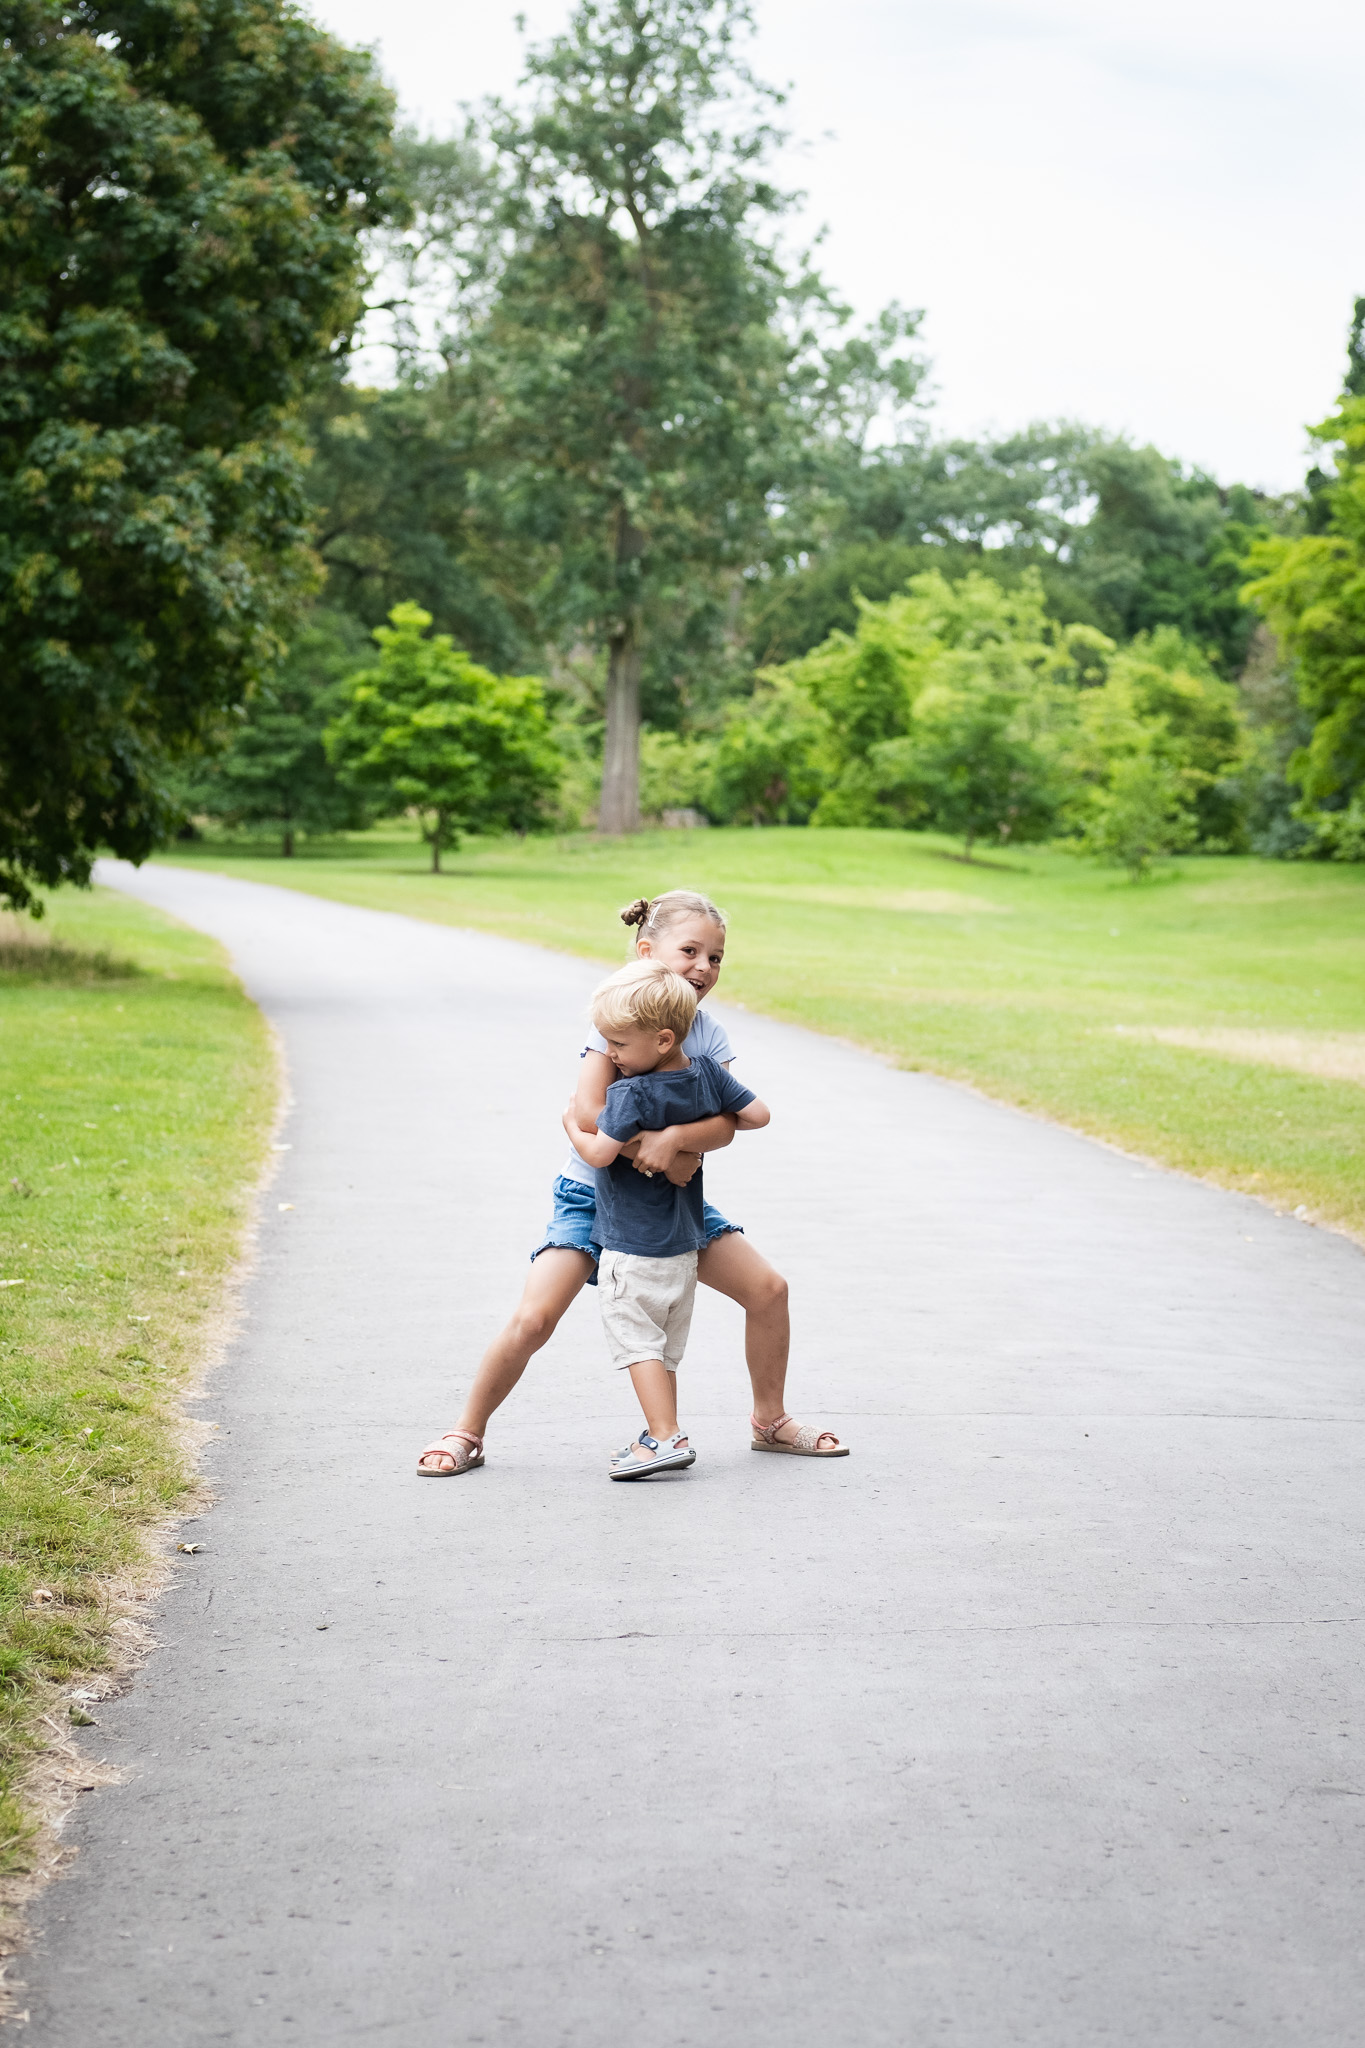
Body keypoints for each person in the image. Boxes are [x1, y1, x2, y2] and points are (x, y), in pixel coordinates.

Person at [416, 889, 848, 1475]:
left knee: (769, 1290)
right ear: (647, 951)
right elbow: (592, 1113)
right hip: (592, 1200)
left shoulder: (708, 1035)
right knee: (534, 1318)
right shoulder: (621, 1021)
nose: (704, 967)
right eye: (689, 950)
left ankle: (769, 1422)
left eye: (716, 957)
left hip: (666, 1208)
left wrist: (676, 1144)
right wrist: (665, 1152)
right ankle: (467, 1432)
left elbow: (726, 1123)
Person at [567, 956, 769, 1478]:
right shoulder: (707, 1076)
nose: (610, 1054)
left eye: (617, 1045)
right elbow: (756, 1116)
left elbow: (599, 1155)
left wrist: (571, 1123)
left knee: (637, 1344)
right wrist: (688, 1131)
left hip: (632, 1245)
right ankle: (664, 1433)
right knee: (664, 1350)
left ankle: (664, 1436)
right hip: (683, 1246)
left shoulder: (629, 1093)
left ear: (660, 1039)